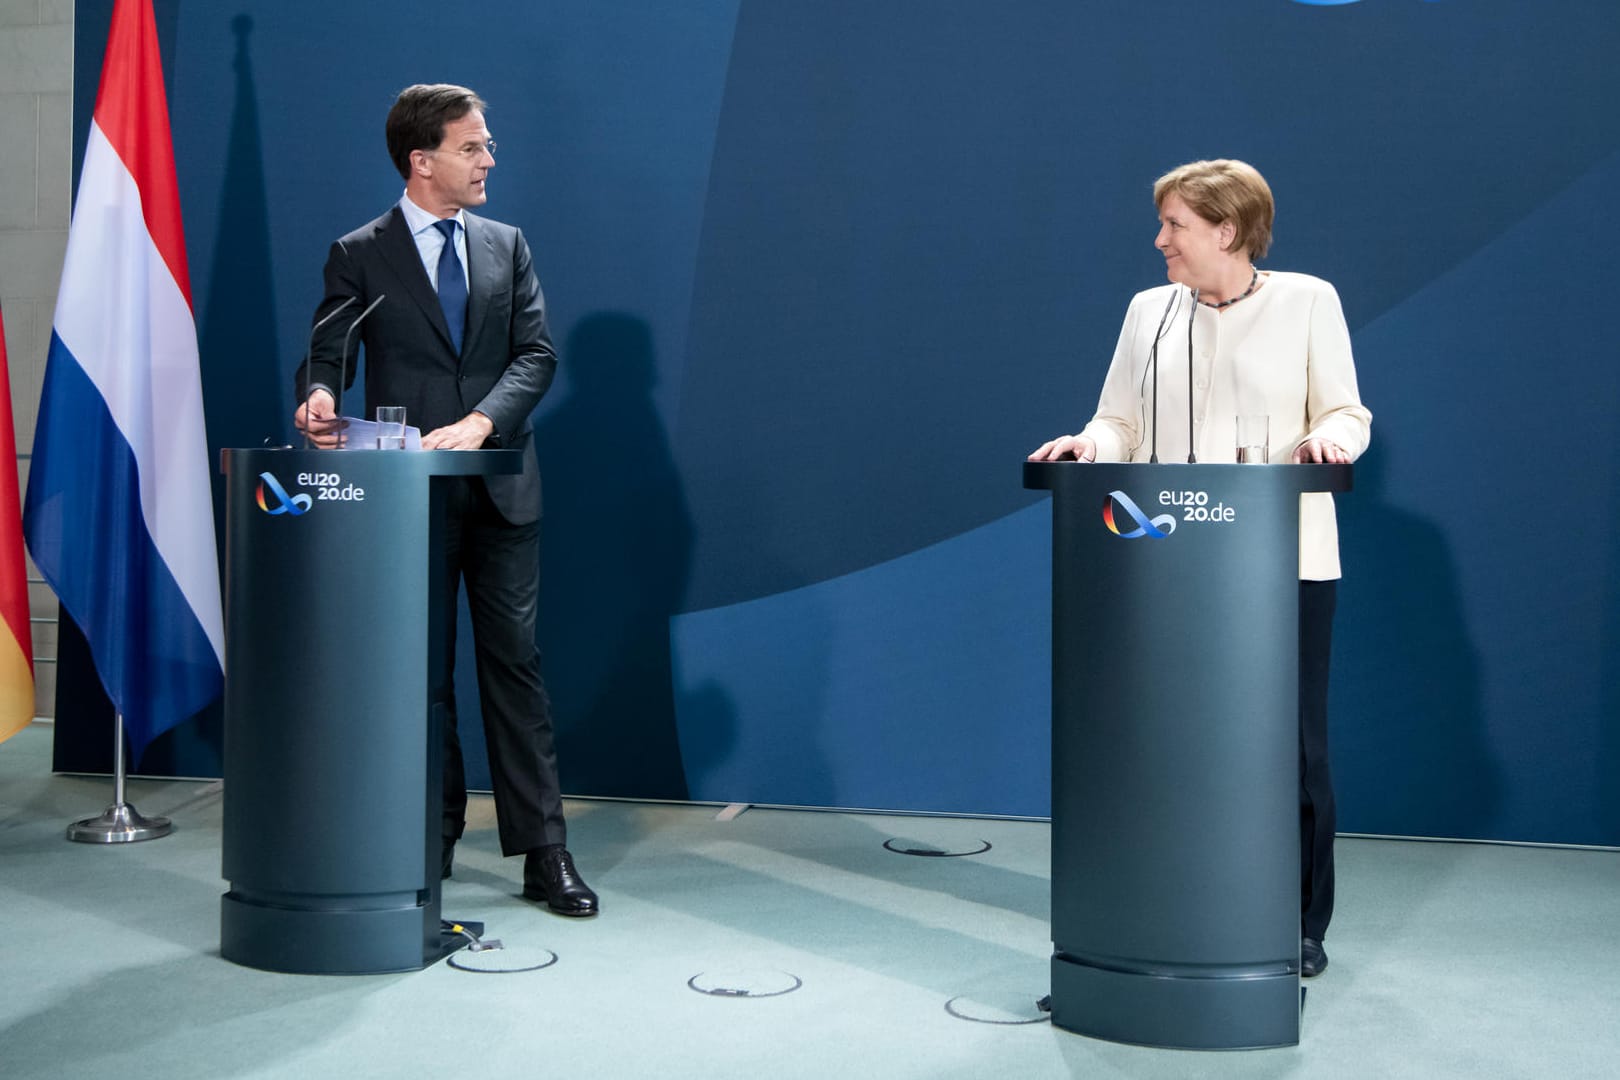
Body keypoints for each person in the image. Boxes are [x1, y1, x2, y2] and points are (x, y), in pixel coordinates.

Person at [1028, 159, 1370, 976]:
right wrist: (1089, 447)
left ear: (1227, 229)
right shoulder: (1150, 312)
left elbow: (1345, 410)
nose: (1160, 242)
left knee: (1291, 748)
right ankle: (1166, 902)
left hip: (1283, 565)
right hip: (1164, 566)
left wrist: (1331, 443)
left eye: (1176, 225)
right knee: (1163, 740)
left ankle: (1298, 925)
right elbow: (1119, 420)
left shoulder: (1308, 301)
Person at [295, 83, 596, 917]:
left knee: (515, 670)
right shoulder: (360, 251)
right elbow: (328, 352)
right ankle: (427, 842)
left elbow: (535, 357)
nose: (489, 159)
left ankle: (545, 852)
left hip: (501, 487)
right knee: (420, 680)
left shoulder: (507, 244)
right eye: (473, 147)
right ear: (421, 161)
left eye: (487, 145)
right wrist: (319, 397)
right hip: (407, 504)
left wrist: (478, 423)